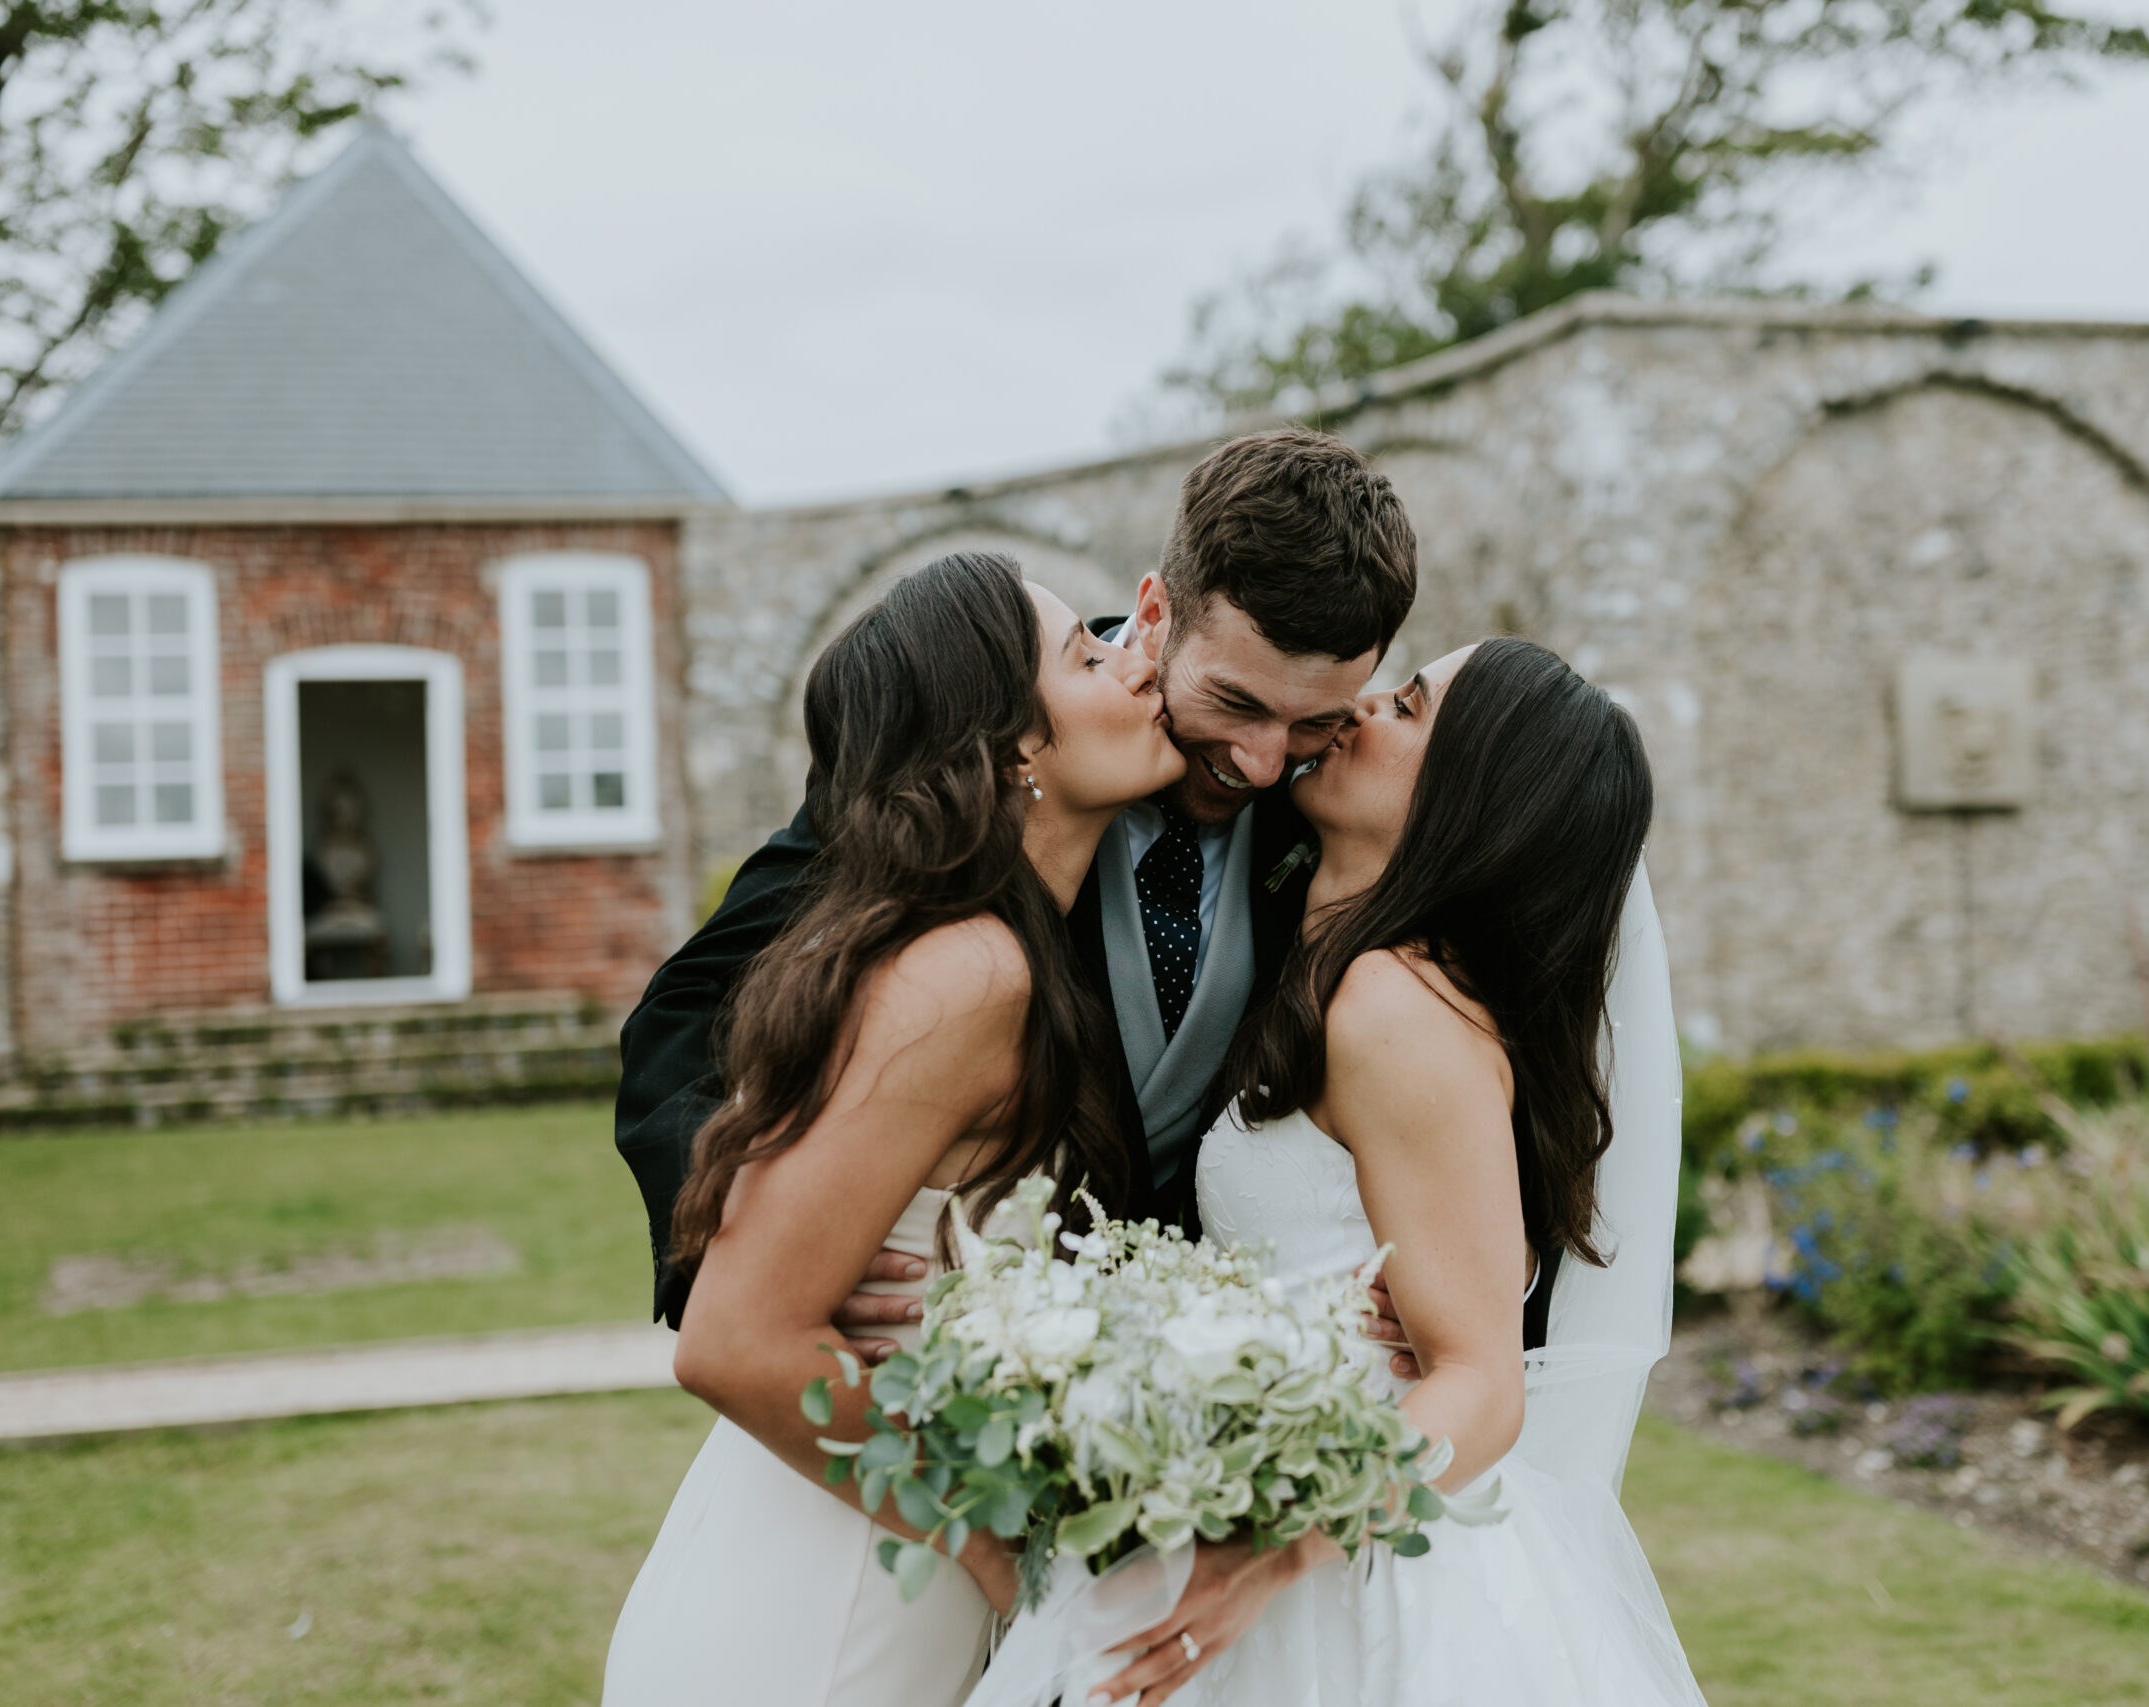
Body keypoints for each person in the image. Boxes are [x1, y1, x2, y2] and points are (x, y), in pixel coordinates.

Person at [612, 428, 1425, 1359]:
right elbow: (684, 1014)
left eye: (1312, 720)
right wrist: (756, 1248)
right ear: (1156, 613)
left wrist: (1458, 1252)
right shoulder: (967, 738)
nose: (1262, 760)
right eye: (1236, 703)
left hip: (1182, 1377)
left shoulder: (1338, 806)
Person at [600, 552, 1185, 1705]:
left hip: (876, 1576)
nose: (1132, 667)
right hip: (825, 1618)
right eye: (1085, 653)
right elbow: (733, 1341)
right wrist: (989, 1543)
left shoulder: (993, 955)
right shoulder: (968, 975)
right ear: (1015, 745)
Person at [1092, 638, 1709, 1707]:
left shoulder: (1393, 1007)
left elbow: (1479, 1384)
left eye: (1410, 704)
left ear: (1473, 802)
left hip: (1349, 1576)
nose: (1362, 707)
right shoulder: (1324, 957)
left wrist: (1271, 1555)